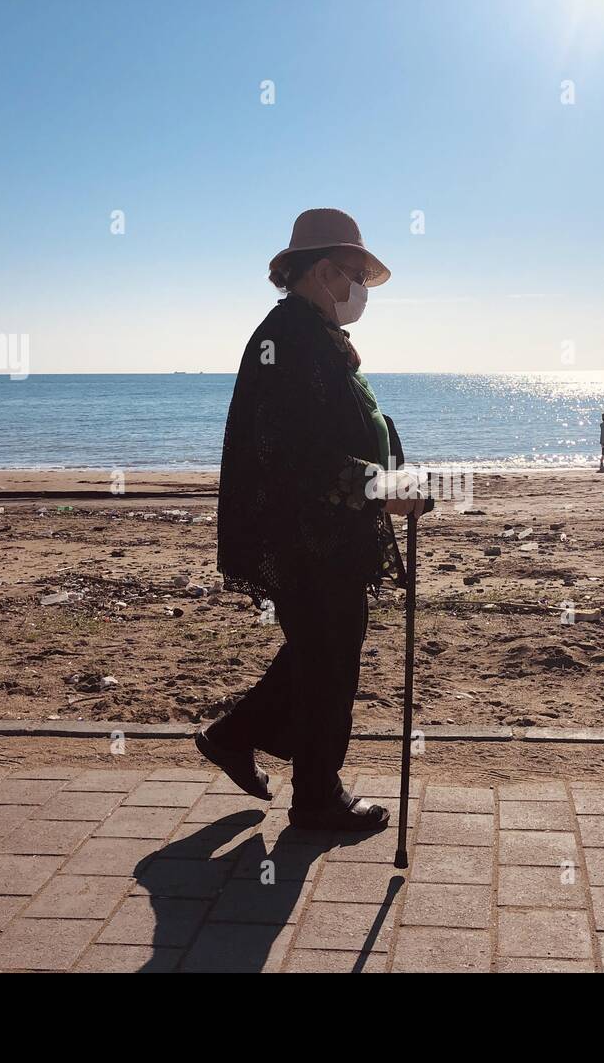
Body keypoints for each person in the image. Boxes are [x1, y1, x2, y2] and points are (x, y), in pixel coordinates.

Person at [197, 208, 425, 832]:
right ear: (325, 271)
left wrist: (384, 480)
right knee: (328, 660)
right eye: (354, 274)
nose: (359, 290)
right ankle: (317, 799)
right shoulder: (289, 338)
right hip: (303, 535)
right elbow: (295, 455)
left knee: (321, 648)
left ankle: (233, 736)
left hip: (324, 530)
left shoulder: (310, 332)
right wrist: (382, 487)